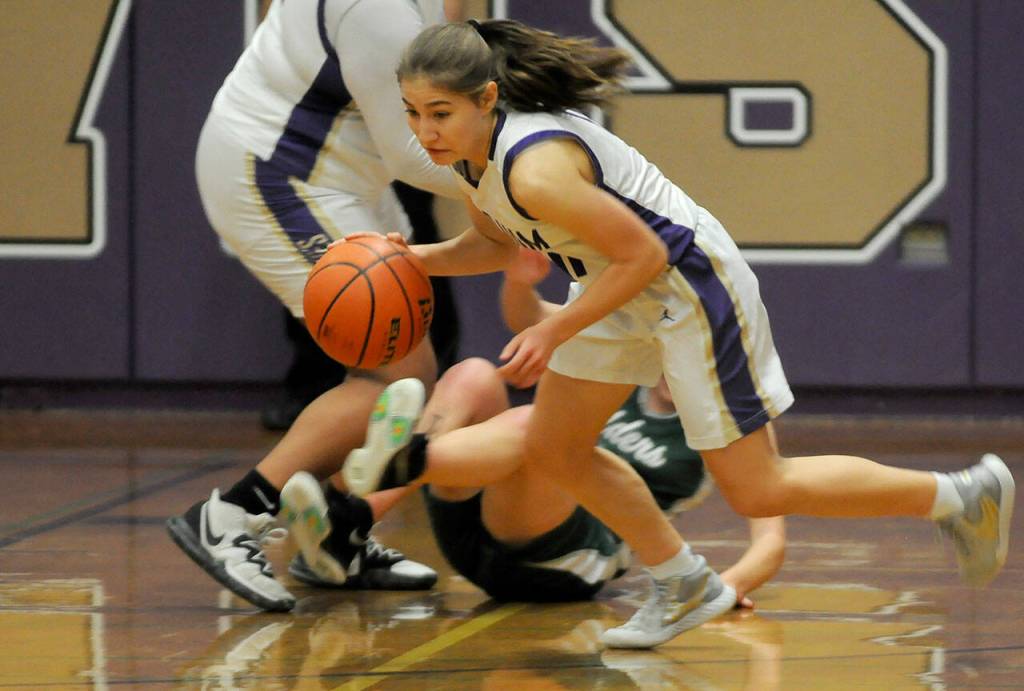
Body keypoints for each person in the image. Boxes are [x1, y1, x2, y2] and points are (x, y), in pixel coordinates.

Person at [335, 18, 1013, 648]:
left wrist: (556, 329)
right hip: (617, 281)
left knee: (759, 489)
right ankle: (683, 580)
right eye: (413, 114)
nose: (425, 131)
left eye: (440, 113)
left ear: (486, 98)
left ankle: (957, 495)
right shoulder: (473, 160)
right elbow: (492, 243)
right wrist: (413, 259)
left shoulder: (536, 167)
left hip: (687, 284)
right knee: (554, 446)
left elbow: (646, 255)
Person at [166, 0, 466, 612]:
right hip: (280, 173)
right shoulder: (374, 8)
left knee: (415, 370)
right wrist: (536, 173)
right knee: (394, 372)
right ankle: (232, 513)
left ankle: (333, 534)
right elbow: (416, 153)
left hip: (344, 176)